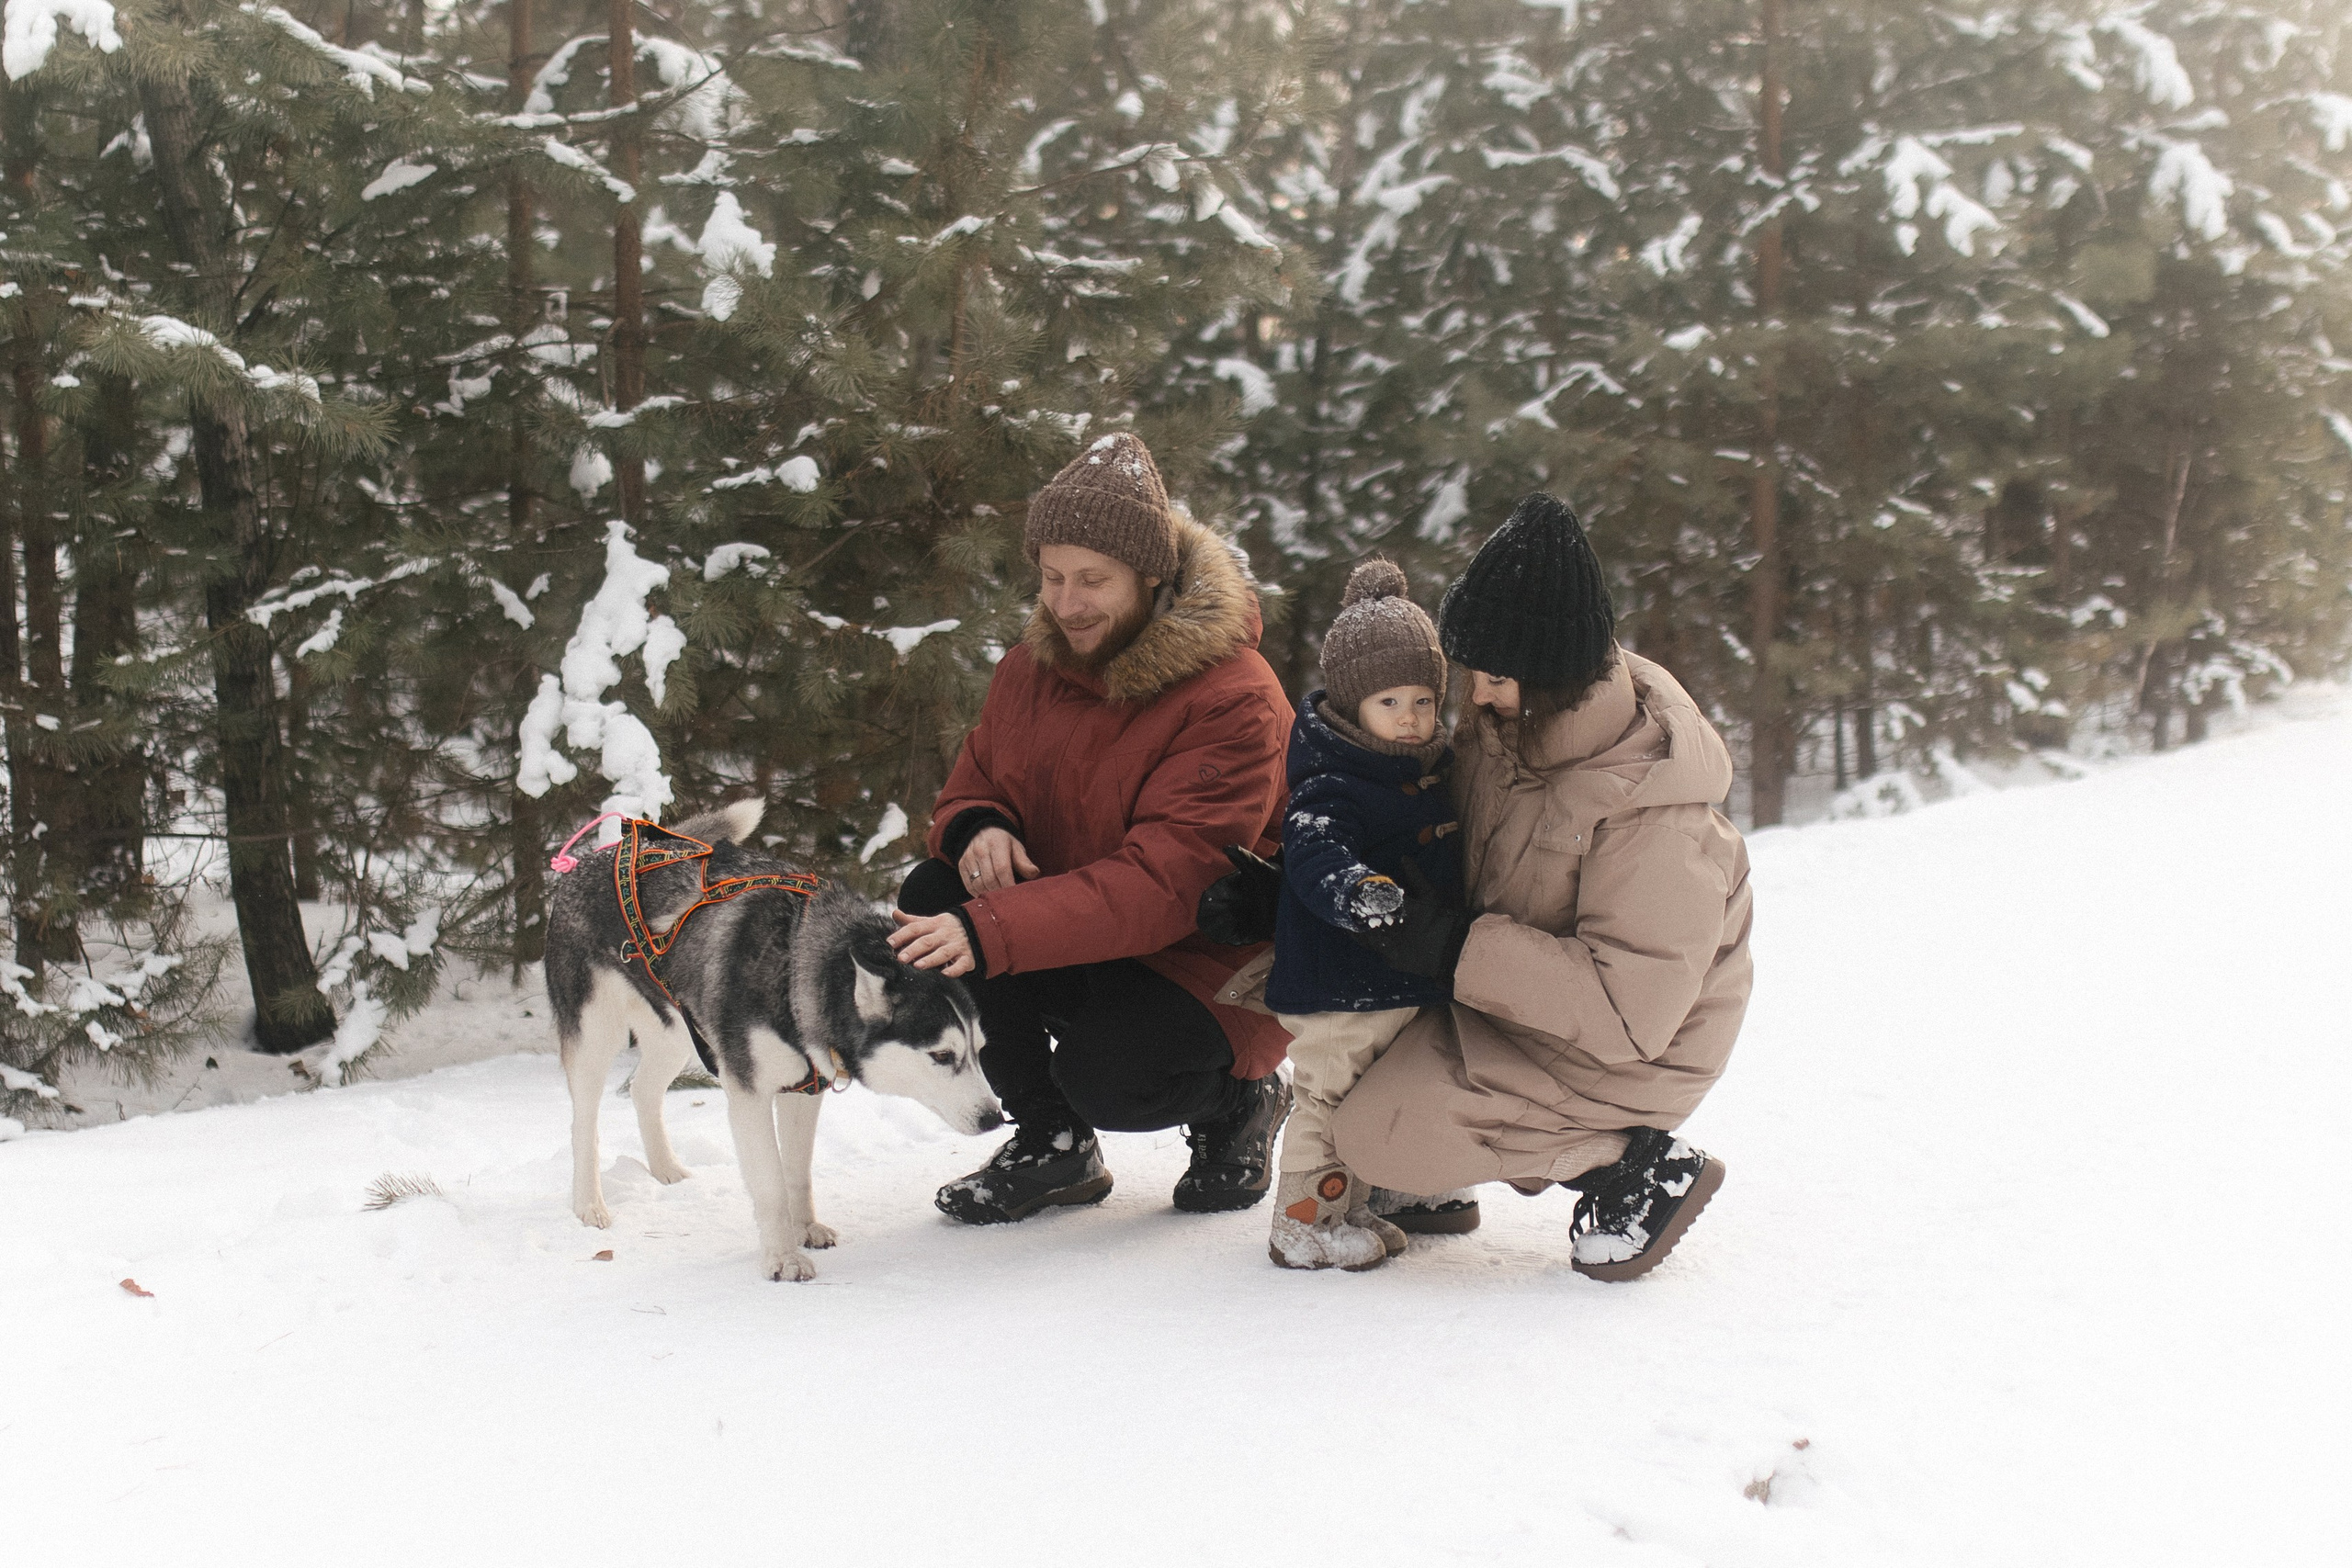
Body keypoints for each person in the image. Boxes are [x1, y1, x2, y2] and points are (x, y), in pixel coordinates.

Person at [1199, 493, 1754, 1280]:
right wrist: (1294, 901)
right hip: (1511, 1008)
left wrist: (1455, 945)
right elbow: (1420, 847)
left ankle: (1628, 1166)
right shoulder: (1505, 734)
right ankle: (1423, 1183)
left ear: (1553, 674)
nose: (1475, 695)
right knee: (1370, 1084)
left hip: (1629, 1052)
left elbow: (1633, 1013)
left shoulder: (1654, 811)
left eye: (1494, 676)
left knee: (1370, 1132)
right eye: (1470, 673)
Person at [888, 432, 1295, 1224]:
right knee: (937, 888)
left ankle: (1240, 1101)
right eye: (1051, 577)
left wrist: (994, 926)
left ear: (1150, 575)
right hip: (1079, 933)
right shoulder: (1029, 669)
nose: (1067, 603)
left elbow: (1167, 884)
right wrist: (980, 827)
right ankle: (1052, 1142)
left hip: (1202, 964)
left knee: (1109, 1073)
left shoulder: (1235, 697)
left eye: (1092, 580)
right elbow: (976, 779)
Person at [1261, 559, 1463, 1272]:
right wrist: (1359, 888)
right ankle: (1302, 1220)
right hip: (1337, 985)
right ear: (1352, 706)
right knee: (1326, 1097)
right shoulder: (1332, 780)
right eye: (1389, 701)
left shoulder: (1426, 775)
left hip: (1390, 986)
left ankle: (1350, 1205)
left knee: (1368, 1102)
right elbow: (1314, 851)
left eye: (1423, 701)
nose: (1410, 718)